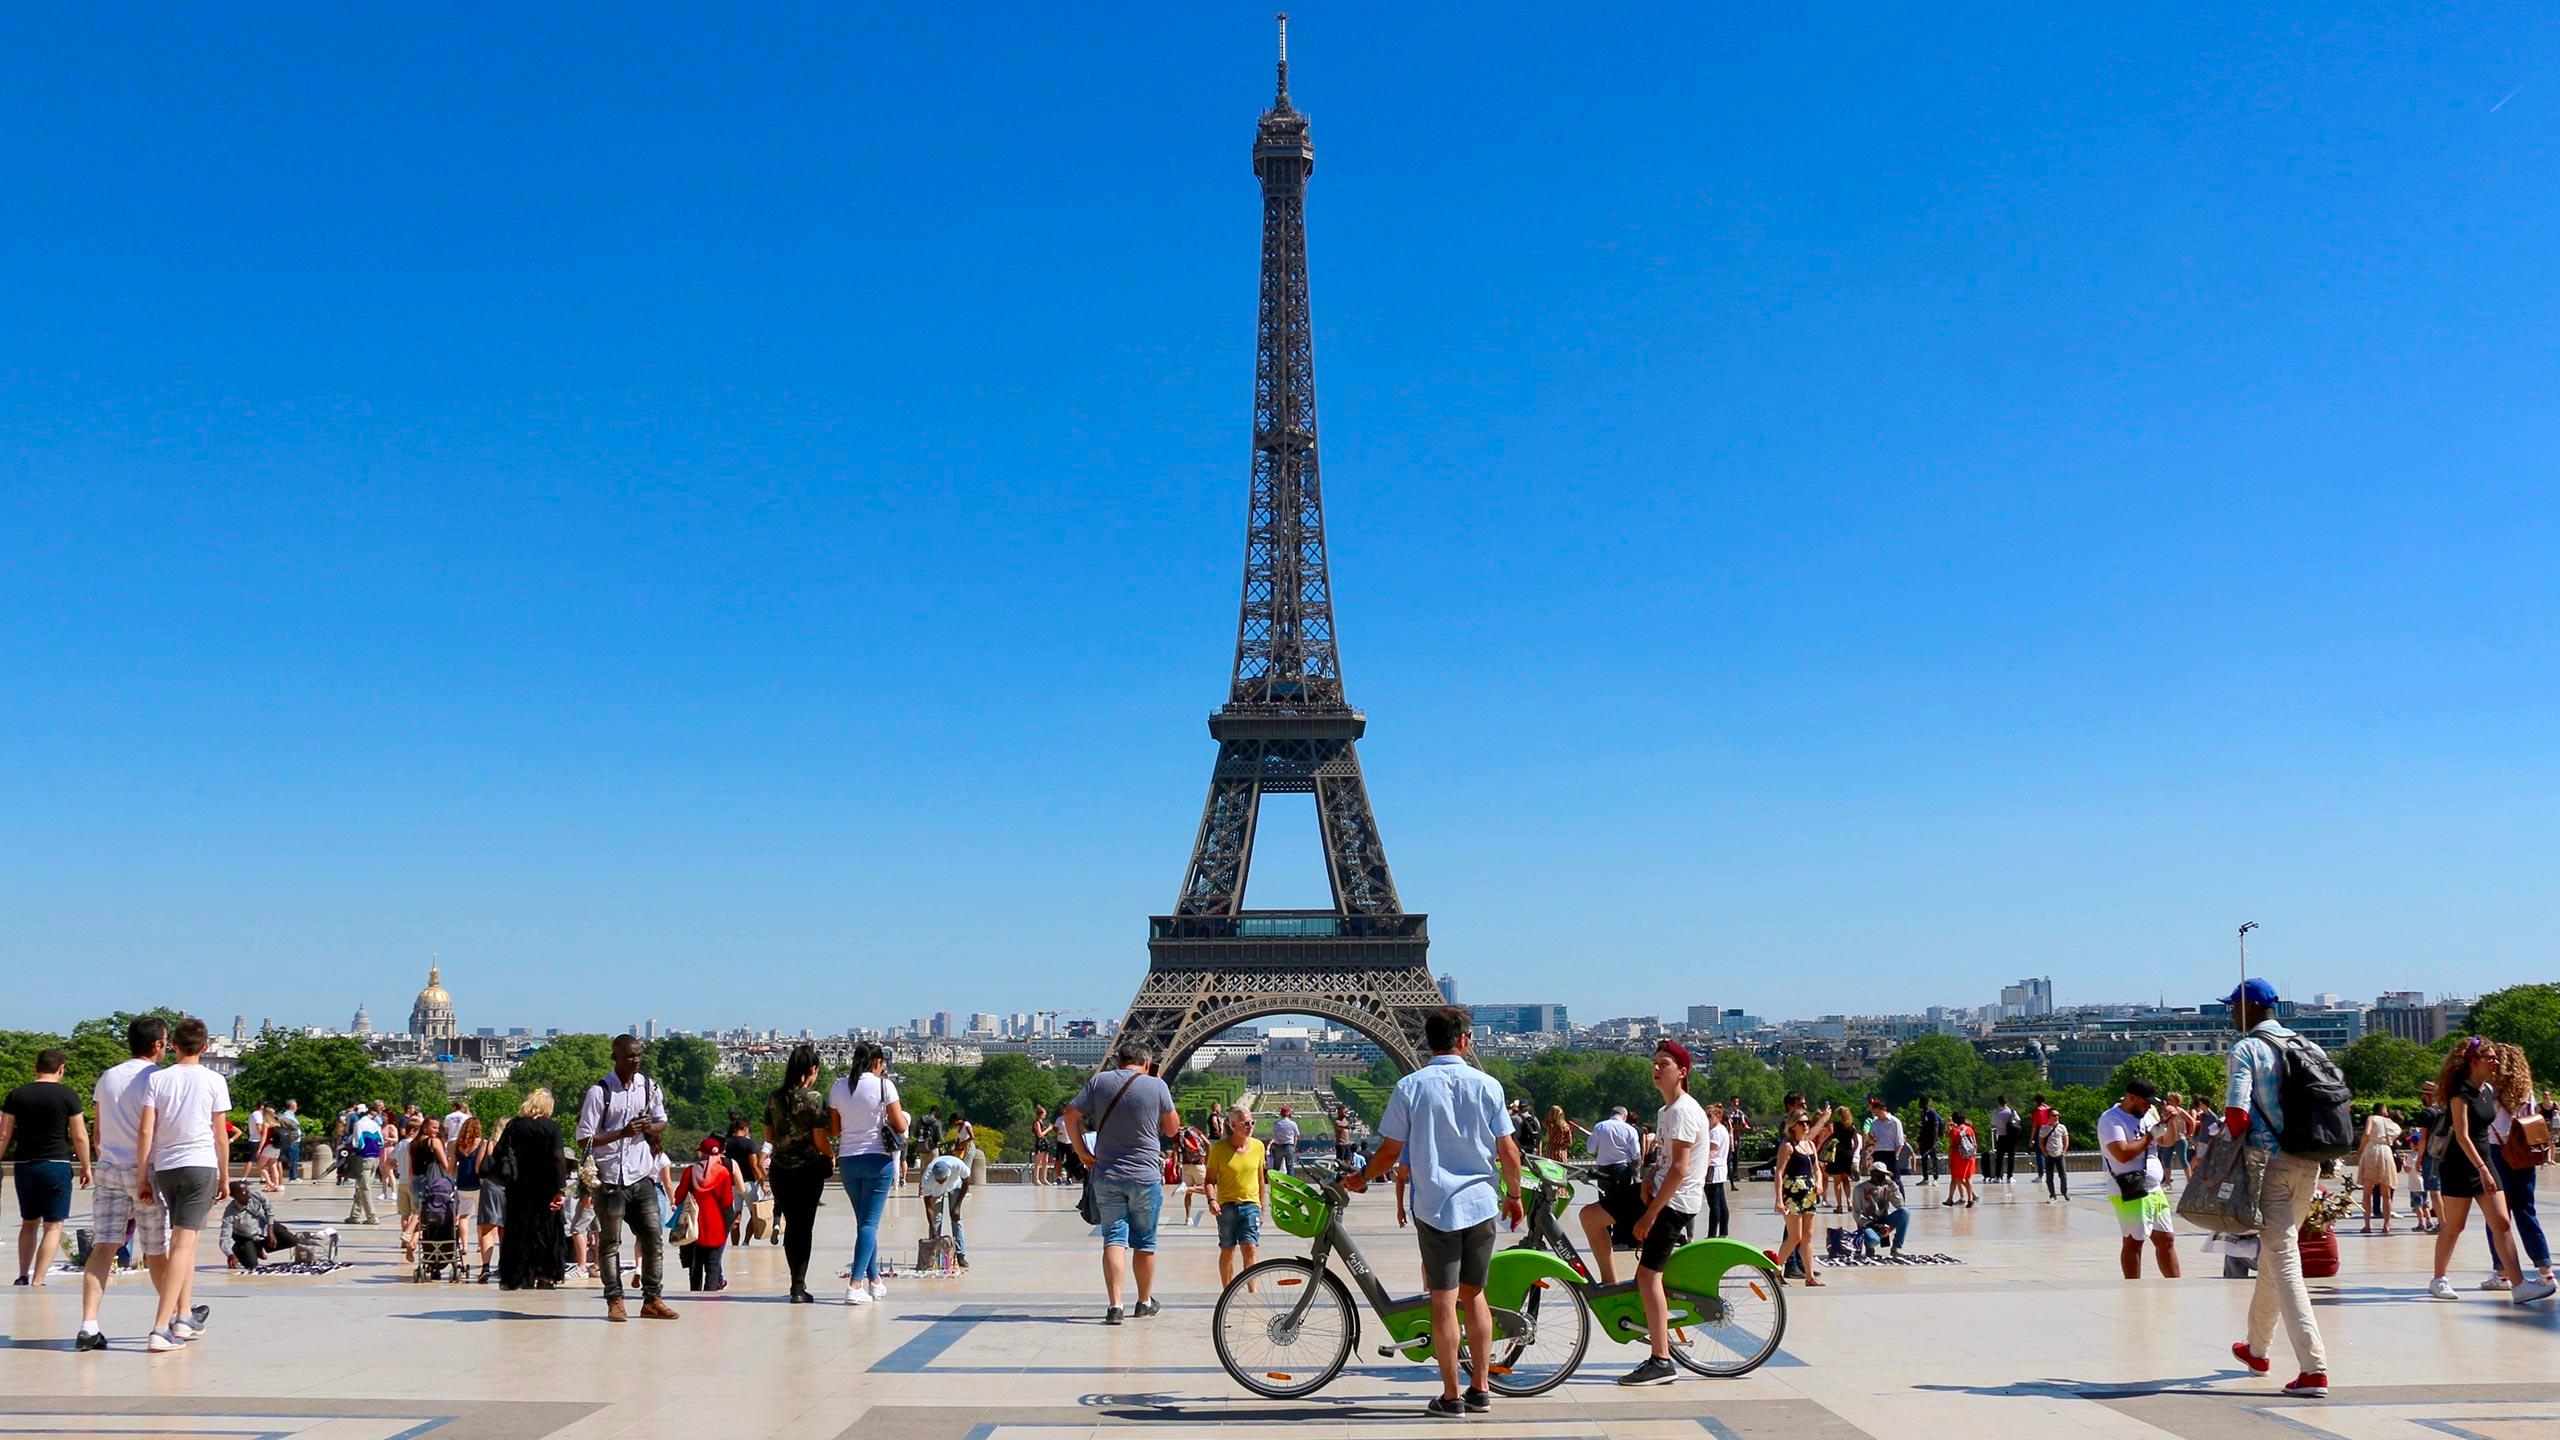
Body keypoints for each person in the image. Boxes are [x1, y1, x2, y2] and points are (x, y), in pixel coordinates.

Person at [1345, 1007, 1525, 1420]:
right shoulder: (1488, 1085)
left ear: (1429, 1041)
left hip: (1436, 1205)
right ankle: (1480, 1389)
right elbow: (1509, 1152)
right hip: (1481, 1202)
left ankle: (1451, 1395)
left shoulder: (1410, 1086)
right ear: (1463, 1040)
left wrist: (1360, 1178)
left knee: (1443, 1302)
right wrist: (1513, 1195)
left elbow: (1389, 1153)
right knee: (1475, 1296)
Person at [2218, 978, 2334, 1397]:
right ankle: (2256, 1349)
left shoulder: (2246, 1049)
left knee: (2284, 1260)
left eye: (2233, 1007)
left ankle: (2313, 1366)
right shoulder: (2308, 1046)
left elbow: (2236, 1115)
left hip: (2272, 1165)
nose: (2230, 1014)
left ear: (2249, 1007)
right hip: (2311, 1162)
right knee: (2274, 1252)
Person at [2425, 1036, 2551, 1303]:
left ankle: (2519, 1285)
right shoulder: (2460, 1093)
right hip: (2461, 1165)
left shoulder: (2488, 1091)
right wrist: (2481, 1168)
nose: (2495, 1062)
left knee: (2502, 1223)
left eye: (2495, 1057)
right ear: (2473, 1060)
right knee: (2454, 1226)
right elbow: (2462, 1135)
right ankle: (2439, 1279)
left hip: (2486, 1162)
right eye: (2490, 1057)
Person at [133, 1017, 231, 1353]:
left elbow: (146, 1131)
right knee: (183, 1245)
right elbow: (221, 1135)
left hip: (167, 1166)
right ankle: (161, 1326)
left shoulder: (158, 1079)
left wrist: (142, 1175)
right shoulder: (215, 1080)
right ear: (205, 1047)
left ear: (172, 1045)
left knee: (181, 1243)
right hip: (200, 1163)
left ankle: (183, 1316)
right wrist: (226, 1176)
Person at [1064, 1038, 1178, 1325]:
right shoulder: (1156, 1085)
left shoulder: (1100, 1082)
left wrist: (1082, 1152)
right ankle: (1143, 1301)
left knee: (1114, 1238)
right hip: (1145, 1175)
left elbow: (1069, 1114)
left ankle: (1115, 1305)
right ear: (1147, 1063)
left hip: (1108, 1173)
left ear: (1118, 1062)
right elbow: (1172, 1129)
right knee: (1145, 1242)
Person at [1616, 1039, 1708, 1387]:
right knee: (1592, 1216)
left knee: (1648, 1277)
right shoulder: (1667, 1111)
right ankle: (1612, 1289)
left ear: (1682, 1072)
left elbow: (1681, 1169)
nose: (1656, 1068)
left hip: (1674, 1204)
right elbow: (1668, 1162)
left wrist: (1650, 1213)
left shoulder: (1683, 1111)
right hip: (1662, 1193)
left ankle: (1661, 1359)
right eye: (1655, 1062)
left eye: (1664, 1063)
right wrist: (1650, 1175)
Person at [76, 1017, 169, 1351]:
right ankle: (170, 1317)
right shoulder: (160, 1078)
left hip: (110, 1167)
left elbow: (98, 1131)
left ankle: (88, 1325)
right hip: (147, 1170)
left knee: (103, 1246)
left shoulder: (108, 1077)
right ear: (158, 1044)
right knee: (156, 1249)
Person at [575, 1034, 677, 1323]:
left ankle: (652, 1299)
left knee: (653, 1240)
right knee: (610, 1243)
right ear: (616, 1057)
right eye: (629, 1055)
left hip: (641, 1175)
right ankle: (615, 1300)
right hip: (609, 1178)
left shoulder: (649, 1086)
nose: (635, 1060)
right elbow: (584, 1139)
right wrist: (623, 1132)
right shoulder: (600, 1092)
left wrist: (650, 1127)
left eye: (638, 1055)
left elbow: (663, 1121)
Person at [825, 1041, 907, 1307]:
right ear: (877, 1062)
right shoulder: (885, 1086)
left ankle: (875, 1281)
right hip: (877, 1161)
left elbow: (835, 1130)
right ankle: (855, 1284)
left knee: (864, 1224)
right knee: (870, 1225)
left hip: (848, 1161)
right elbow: (901, 1124)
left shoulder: (838, 1087)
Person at [3, 1048, 91, 1287]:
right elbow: (80, 1136)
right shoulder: (68, 1095)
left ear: (36, 1068)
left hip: (25, 1165)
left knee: (29, 1222)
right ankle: (38, 1279)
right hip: (57, 1164)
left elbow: (3, 1134)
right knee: (53, 1226)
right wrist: (86, 1166)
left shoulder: (16, 1095)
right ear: (61, 1069)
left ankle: (22, 1273)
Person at [761, 1044, 830, 1303]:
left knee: (791, 1226)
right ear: (812, 1069)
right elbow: (820, 1139)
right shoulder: (814, 1099)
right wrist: (830, 1157)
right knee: (805, 1227)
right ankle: (799, 1286)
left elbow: (768, 1135)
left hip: (781, 1170)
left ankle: (795, 1284)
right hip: (808, 1170)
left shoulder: (774, 1097)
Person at [2098, 1079, 2179, 1278]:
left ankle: (2175, 1284)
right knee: (2134, 1241)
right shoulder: (2112, 1119)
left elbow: (2166, 1141)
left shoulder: (2147, 1116)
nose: (2149, 1106)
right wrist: (2149, 1137)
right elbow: (2122, 1153)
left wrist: (2171, 1122)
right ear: (2132, 1098)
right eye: (2146, 1102)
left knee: (2166, 1239)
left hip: (2153, 1187)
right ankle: (2133, 1286)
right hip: (2129, 1187)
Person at [495, 1089, 567, 1290]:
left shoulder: (514, 1126)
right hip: (546, 1186)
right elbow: (558, 1157)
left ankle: (519, 1275)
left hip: (519, 1186)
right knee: (547, 1230)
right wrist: (561, 1188)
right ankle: (545, 1274)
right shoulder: (552, 1128)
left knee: (518, 1231)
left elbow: (498, 1152)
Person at [1205, 1104, 1269, 1288]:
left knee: (1250, 1248)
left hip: (1251, 1205)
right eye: (1246, 1123)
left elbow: (1260, 1180)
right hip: (1226, 1206)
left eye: (1252, 1122)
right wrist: (1211, 1200)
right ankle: (1228, 1291)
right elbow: (1209, 1180)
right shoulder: (1219, 1149)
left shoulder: (1258, 1146)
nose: (1250, 1126)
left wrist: (1262, 1209)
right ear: (1233, 1125)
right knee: (1228, 1250)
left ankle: (1253, 1291)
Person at [669, 1136, 735, 1291]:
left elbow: (679, 1196)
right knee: (713, 1264)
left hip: (693, 1223)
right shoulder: (723, 1173)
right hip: (715, 1224)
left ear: (702, 1153)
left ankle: (694, 1294)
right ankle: (710, 1297)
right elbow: (726, 1201)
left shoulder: (690, 1171)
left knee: (695, 1265)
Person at [1769, 1115, 1823, 1287]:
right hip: (1792, 1192)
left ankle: (1809, 1276)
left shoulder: (1810, 1145)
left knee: (1808, 1236)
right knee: (1795, 1236)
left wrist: (1819, 1182)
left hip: (1809, 1192)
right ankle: (1776, 1270)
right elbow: (1779, 1172)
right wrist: (1779, 1198)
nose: (1806, 1125)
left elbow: (1817, 1169)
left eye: (1807, 1122)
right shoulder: (1788, 1146)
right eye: (1802, 1123)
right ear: (1793, 1126)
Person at [217, 1180, 302, 1269]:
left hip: (264, 1228)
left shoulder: (256, 1194)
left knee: (291, 1240)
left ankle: (259, 1245)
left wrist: (270, 1232)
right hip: (246, 1236)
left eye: (246, 1189)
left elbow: (269, 1210)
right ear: (234, 1196)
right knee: (252, 1264)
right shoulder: (230, 1213)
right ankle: (239, 1250)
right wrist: (229, 1254)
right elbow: (224, 1238)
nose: (247, 1192)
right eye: (243, 1191)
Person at [919, 1151, 970, 1268]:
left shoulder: (957, 1164)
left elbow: (966, 1182)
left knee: (956, 1219)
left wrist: (957, 1206)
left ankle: (960, 1255)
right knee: (936, 1221)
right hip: (936, 1192)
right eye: (939, 1179)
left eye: (943, 1178)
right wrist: (934, 1229)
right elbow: (928, 1205)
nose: (941, 1181)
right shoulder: (927, 1178)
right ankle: (933, 1255)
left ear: (948, 1172)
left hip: (955, 1186)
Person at [2357, 1105, 2403, 1235]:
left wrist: (2360, 1149)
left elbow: (2366, 1133)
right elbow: (2397, 1134)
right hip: (2386, 1151)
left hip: (2371, 1150)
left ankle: (2367, 1226)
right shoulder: (2394, 1125)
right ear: (2383, 1110)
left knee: (2367, 1192)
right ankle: (2386, 1225)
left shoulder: (2372, 1118)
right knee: (2386, 1193)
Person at [721, 1114, 763, 1251]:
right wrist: (762, 1182)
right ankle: (745, 1242)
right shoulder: (748, 1143)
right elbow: (754, 1166)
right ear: (745, 1128)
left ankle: (734, 1246)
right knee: (754, 1214)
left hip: (731, 1185)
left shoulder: (726, 1143)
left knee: (736, 1215)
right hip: (747, 1184)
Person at [1852, 1161, 1909, 1256]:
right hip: (1868, 1224)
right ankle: (1869, 1246)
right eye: (1879, 1174)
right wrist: (1873, 1225)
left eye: (1884, 1174)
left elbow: (1900, 1204)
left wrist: (1892, 1185)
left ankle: (1896, 1247)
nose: (1882, 1177)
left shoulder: (1887, 1187)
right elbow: (1856, 1213)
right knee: (1873, 1240)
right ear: (1872, 1174)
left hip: (1884, 1222)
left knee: (1905, 1212)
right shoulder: (1860, 1189)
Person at [2411, 1081, 2444, 1233]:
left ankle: (2442, 1223)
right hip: (2446, 1155)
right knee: (2444, 1190)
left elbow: (2423, 1138)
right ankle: (2447, 1220)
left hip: (2432, 1154)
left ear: (2426, 1096)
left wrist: (2419, 1159)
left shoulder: (2427, 1113)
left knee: (2434, 1190)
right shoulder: (2446, 1110)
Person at [343, 1102, 384, 1224]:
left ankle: (372, 1217)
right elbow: (381, 1142)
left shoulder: (359, 1124)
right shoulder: (375, 1124)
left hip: (364, 1159)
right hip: (375, 1158)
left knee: (365, 1188)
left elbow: (357, 1143)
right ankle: (354, 1216)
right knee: (362, 1187)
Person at [1173, 1114, 1211, 1227]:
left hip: (1186, 1164)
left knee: (1188, 1194)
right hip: (1199, 1163)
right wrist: (1207, 1160)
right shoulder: (1195, 1130)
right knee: (1208, 1189)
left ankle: (1188, 1218)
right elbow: (1208, 1144)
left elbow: (1175, 1150)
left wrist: (1175, 1165)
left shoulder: (1176, 1135)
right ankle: (1215, 1211)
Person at [1702, 1100, 1733, 1238]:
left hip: (1713, 1168)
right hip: (1720, 1167)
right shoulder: (1722, 1130)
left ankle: (1712, 1234)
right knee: (1721, 1202)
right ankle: (1723, 1232)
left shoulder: (1715, 1132)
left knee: (1714, 1203)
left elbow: (1711, 1151)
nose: (1707, 1119)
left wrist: (1702, 1168)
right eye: (1706, 1116)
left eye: (1710, 1116)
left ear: (1717, 1116)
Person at [1822, 1105, 1859, 1213]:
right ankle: (1849, 1201)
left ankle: (1839, 1206)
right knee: (1846, 1179)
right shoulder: (1852, 1126)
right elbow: (1856, 1142)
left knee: (1837, 1181)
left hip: (1836, 1153)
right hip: (1848, 1153)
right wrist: (1853, 1151)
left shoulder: (1835, 1126)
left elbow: (1827, 1138)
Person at [1945, 1109, 1980, 1206]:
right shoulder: (1970, 1129)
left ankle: (1950, 1199)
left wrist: (1949, 1159)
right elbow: (1975, 1144)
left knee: (1955, 1178)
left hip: (1958, 1157)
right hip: (1969, 1157)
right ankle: (1970, 1199)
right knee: (1968, 1179)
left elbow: (1952, 1147)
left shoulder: (1954, 1131)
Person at [1866, 1097, 1905, 1183]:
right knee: (1878, 1178)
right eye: (1875, 1113)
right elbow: (1870, 1136)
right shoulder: (1875, 1122)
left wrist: (1896, 1156)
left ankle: (1899, 1196)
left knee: (1894, 1179)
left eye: (1878, 1112)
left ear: (1883, 1109)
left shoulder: (1895, 1122)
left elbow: (1900, 1142)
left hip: (1890, 1153)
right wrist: (1871, 1139)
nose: (1877, 1115)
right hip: (1878, 1153)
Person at [1914, 1097, 1944, 1188]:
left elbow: (1935, 1127)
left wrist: (1934, 1142)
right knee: (1924, 1159)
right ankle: (1925, 1178)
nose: (1919, 1104)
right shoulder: (1923, 1113)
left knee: (1933, 1158)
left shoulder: (1932, 1113)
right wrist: (1919, 1126)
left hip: (1931, 1140)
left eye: (1920, 1102)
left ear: (1925, 1103)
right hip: (1924, 1140)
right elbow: (1926, 1127)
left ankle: (1935, 1178)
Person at [2042, 1113, 2073, 1202]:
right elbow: (2041, 1142)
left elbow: (2066, 1140)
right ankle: (2052, 1195)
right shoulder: (2044, 1128)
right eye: (2054, 1115)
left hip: (2059, 1155)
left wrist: (2064, 1151)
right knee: (2049, 1176)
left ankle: (2064, 1192)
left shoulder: (2062, 1127)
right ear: (2049, 1117)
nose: (2056, 1117)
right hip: (2049, 1155)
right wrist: (2045, 1153)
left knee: (2063, 1175)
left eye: (2057, 1115)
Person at [1990, 1097, 2021, 1184]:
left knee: (1999, 1157)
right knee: (2011, 1157)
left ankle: (1998, 1176)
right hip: (2011, 1137)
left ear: (1999, 1102)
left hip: (2001, 1136)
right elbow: (2018, 1120)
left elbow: (1993, 1122)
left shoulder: (1996, 1112)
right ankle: (2009, 1176)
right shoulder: (2011, 1112)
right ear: (2007, 1102)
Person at [275, 1100, 304, 1184]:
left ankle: (294, 1176)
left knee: (294, 1159)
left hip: (293, 1140)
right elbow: (292, 1128)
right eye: (296, 1105)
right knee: (293, 1159)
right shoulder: (288, 1116)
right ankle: (293, 1177)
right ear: (293, 1107)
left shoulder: (290, 1115)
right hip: (293, 1141)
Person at [1031, 1103, 1057, 1187]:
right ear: (1041, 1114)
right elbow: (1040, 1134)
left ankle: (1044, 1178)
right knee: (1038, 1162)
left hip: (1045, 1143)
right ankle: (1036, 1179)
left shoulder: (1042, 1122)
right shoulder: (1037, 1123)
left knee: (1045, 1161)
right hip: (1040, 1143)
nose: (1045, 1115)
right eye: (1044, 1113)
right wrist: (1049, 1129)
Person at [1269, 1105, 1300, 1176]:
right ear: (1289, 1113)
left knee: (1276, 1168)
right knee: (1290, 1168)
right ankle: (1290, 1185)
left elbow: (1273, 1135)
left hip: (1278, 1147)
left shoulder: (1276, 1123)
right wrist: (1293, 1147)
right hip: (1289, 1146)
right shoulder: (1293, 1124)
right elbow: (1296, 1136)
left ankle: (1274, 1185)